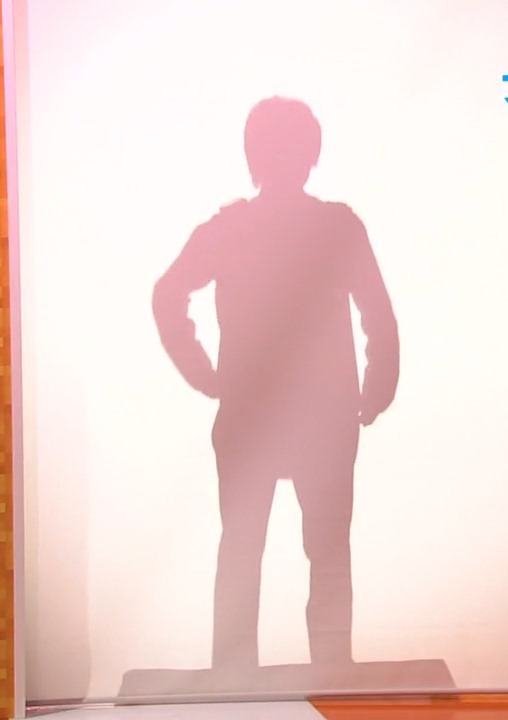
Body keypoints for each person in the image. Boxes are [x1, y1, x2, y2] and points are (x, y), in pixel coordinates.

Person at [152, 97, 399, 670]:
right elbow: (379, 316)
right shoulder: (336, 226)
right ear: (312, 154)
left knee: (243, 554)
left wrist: (201, 371)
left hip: (253, 418)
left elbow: (167, 295)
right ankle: (329, 676)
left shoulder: (231, 228)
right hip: (321, 419)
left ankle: (233, 683)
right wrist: (377, 385)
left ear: (252, 155)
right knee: (326, 557)